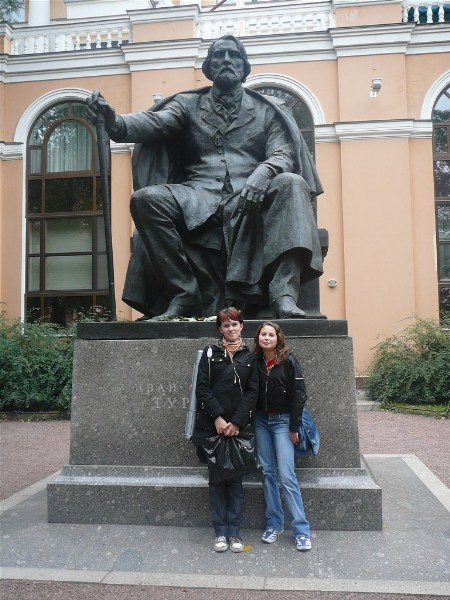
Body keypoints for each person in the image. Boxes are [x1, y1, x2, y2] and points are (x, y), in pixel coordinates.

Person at [86, 35, 324, 320]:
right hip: (198, 194)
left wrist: (264, 172)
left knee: (292, 183)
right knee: (145, 200)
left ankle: (283, 293)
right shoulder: (188, 105)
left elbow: (283, 153)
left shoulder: (266, 109)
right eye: (219, 55)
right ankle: (184, 293)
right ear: (209, 68)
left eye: (234, 55)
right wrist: (115, 122)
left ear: (244, 67)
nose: (226, 60)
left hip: (250, 193)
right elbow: (154, 123)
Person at [193, 307, 257, 553]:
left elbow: (252, 392)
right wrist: (218, 418)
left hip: (239, 429)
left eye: (235, 324)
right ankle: (220, 532)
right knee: (217, 481)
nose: (231, 328)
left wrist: (237, 422)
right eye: (226, 325)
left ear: (242, 326)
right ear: (220, 328)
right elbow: (202, 388)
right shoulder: (210, 353)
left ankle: (235, 532)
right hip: (213, 427)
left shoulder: (251, 355)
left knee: (236, 482)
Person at [253, 321, 312, 551]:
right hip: (261, 422)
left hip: (283, 422)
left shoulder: (288, 361)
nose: (267, 338)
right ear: (258, 338)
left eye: (271, 334)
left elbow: (299, 394)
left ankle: (301, 531)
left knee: (287, 476)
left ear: (278, 338)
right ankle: (274, 525)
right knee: (268, 473)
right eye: (263, 334)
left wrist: (294, 426)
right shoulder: (255, 361)